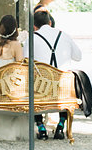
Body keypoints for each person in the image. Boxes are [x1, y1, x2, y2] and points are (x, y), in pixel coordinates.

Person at [31, 10, 81, 140]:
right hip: (63, 87)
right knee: (66, 83)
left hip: (41, 88)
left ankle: (41, 127)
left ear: (34, 26)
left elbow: (25, 61)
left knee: (32, 83)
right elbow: (78, 56)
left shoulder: (33, 38)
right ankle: (60, 125)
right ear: (49, 22)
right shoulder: (64, 35)